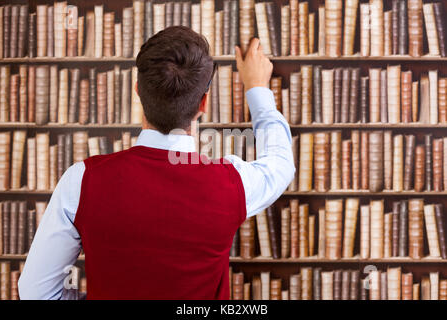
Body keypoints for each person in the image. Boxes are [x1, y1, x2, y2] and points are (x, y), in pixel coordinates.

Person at [18, 26, 295, 300]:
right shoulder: (233, 183)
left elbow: (35, 292)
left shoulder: (81, 181)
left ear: (137, 90)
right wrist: (257, 89)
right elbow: (280, 164)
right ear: (204, 104)